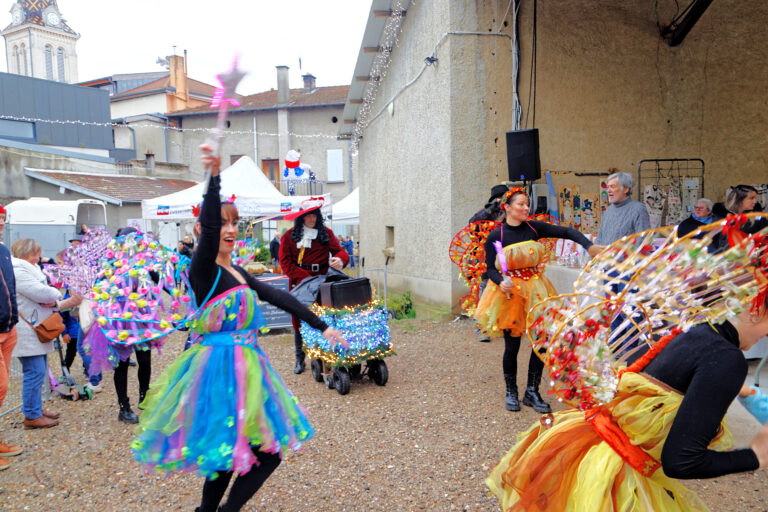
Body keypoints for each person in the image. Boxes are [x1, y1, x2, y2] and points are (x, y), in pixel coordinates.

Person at [132, 144, 346, 512]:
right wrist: (214, 177)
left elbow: (282, 298)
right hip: (219, 370)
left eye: (235, 223)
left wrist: (322, 326)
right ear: (204, 228)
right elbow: (211, 222)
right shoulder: (203, 270)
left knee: (244, 453)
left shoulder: (238, 271)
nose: (230, 229)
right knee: (231, 454)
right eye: (222, 223)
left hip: (247, 368)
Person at [486, 295, 768, 511]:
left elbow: (668, 376)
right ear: (756, 309)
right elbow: (681, 461)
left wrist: (734, 388)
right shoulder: (727, 359)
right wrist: (755, 455)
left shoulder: (689, 326)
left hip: (584, 447)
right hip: (615, 478)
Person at [474, 188, 603, 413]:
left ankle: (532, 392)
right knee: (512, 346)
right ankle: (511, 391)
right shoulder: (497, 236)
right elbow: (490, 269)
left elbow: (567, 232)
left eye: (527, 204)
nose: (526, 208)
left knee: (541, 343)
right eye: (521, 204)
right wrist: (500, 281)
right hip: (510, 295)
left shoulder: (534, 228)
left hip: (537, 291)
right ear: (507, 207)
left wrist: (588, 246)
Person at [11, 239, 81, 430]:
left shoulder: (24, 268)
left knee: (38, 370)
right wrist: (56, 294)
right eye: (36, 253)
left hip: (36, 327)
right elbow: (41, 293)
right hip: (29, 329)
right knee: (34, 372)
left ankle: (35, 409)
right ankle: (32, 415)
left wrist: (52, 295)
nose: (38, 257)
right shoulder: (19, 270)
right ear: (28, 253)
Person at [280, 199, 349, 374]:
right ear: (301, 217)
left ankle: (323, 354)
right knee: (298, 320)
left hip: (322, 282)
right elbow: (285, 263)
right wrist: (304, 278)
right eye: (308, 215)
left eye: (314, 215)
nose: (311, 219)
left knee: (323, 317)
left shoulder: (326, 233)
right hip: (300, 282)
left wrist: (339, 260)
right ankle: (299, 358)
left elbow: (340, 252)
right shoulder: (288, 237)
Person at [469, 184, 508, 342]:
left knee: (506, 289)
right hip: (486, 258)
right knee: (484, 291)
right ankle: (482, 328)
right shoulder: (486, 214)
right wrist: (490, 210)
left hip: (504, 256)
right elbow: (472, 224)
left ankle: (504, 325)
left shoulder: (509, 212)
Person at [0, 205, 22, 469]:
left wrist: (13, 317)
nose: (1, 223)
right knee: (2, 386)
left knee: (2, 391)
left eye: (3, 219)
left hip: (8, 328)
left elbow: (10, 287)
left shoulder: (4, 251)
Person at [595, 171, 651, 245]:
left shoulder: (638, 209)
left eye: (612, 186)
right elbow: (600, 238)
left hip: (629, 256)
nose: (608, 190)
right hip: (605, 256)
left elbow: (643, 241)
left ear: (626, 189)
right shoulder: (608, 210)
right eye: (607, 187)